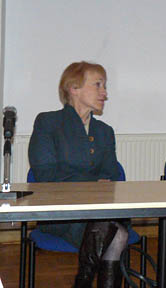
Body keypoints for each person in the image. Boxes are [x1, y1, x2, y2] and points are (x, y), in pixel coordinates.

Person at [28, 61, 128, 288]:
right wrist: (94, 182)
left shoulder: (105, 132)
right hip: (63, 214)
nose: (105, 93)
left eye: (105, 86)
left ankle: (82, 282)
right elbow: (46, 174)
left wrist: (95, 184)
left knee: (111, 229)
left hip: (101, 212)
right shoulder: (48, 123)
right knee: (116, 233)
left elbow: (112, 175)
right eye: (98, 85)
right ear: (74, 88)